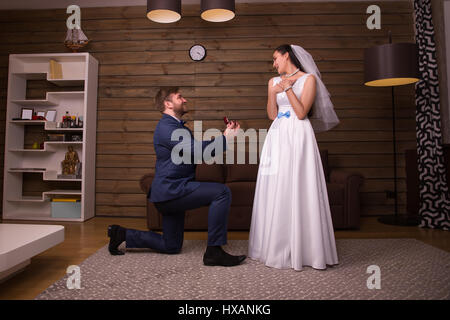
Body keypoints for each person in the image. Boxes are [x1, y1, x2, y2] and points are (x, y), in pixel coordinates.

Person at [107, 87, 247, 267]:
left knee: (171, 245)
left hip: (171, 192)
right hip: (172, 190)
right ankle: (214, 252)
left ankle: (121, 234)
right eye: (180, 97)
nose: (185, 100)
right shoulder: (167, 127)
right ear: (168, 103)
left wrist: (224, 138)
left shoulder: (176, 127)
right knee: (221, 192)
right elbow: (197, 151)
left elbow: (195, 148)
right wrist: (225, 139)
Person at [248, 44, 340, 271]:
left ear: (286, 55)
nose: (274, 64)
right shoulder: (272, 82)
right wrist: (273, 92)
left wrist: (288, 89)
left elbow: (301, 113)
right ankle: (274, 246)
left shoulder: (309, 79)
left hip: (299, 134)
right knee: (276, 184)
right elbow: (272, 115)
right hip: (277, 135)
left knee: (299, 184)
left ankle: (307, 249)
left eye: (275, 58)